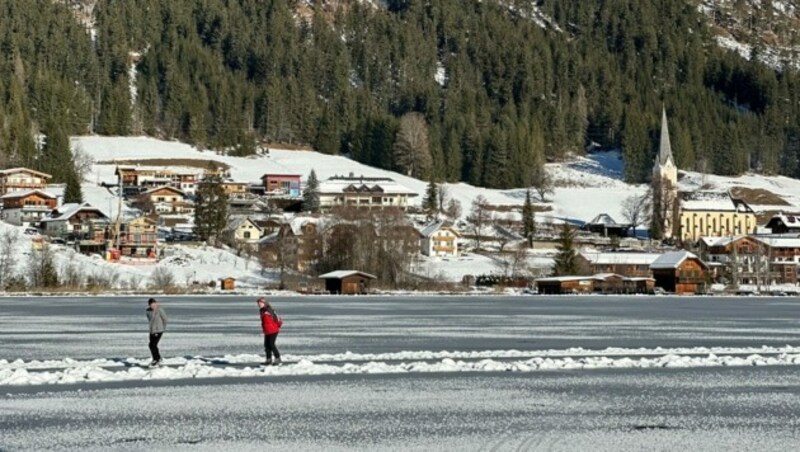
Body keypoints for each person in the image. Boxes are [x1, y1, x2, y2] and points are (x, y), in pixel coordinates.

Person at [257, 298, 283, 366]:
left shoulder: (269, 310)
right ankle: (268, 360)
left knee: (271, 344)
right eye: (258, 303)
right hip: (267, 331)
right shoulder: (262, 311)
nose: (259, 304)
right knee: (266, 345)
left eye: (260, 303)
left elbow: (277, 319)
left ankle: (278, 358)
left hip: (273, 330)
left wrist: (277, 326)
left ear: (264, 303)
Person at [145, 298, 167, 367]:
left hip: (159, 330)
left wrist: (162, 328)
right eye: (151, 305)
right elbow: (149, 320)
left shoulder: (159, 309)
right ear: (149, 305)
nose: (153, 306)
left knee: (153, 345)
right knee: (151, 345)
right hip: (152, 331)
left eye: (154, 304)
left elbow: (165, 319)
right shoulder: (148, 311)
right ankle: (158, 358)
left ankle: (156, 359)